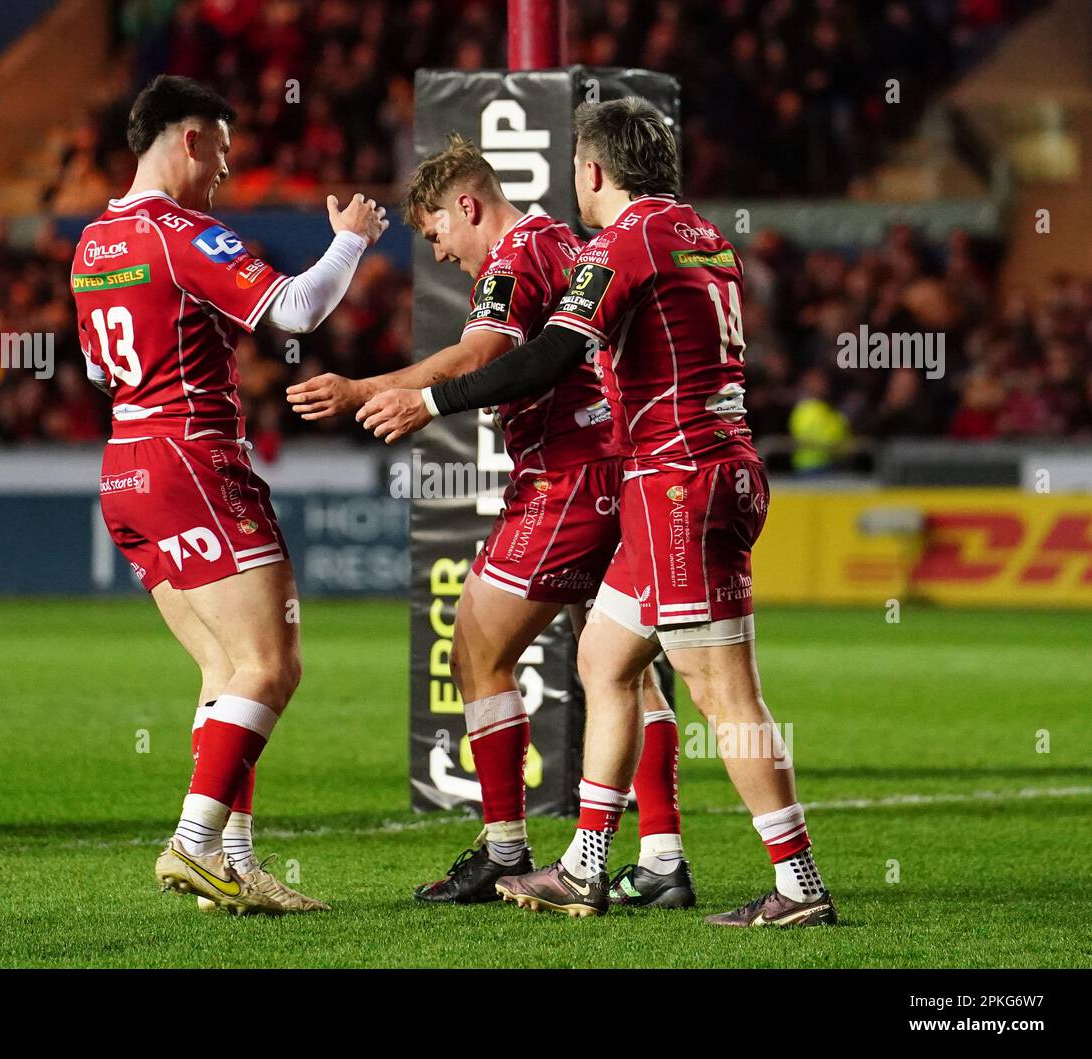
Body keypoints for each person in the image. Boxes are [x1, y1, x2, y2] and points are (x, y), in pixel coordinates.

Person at [358, 98, 837, 926]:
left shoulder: (626, 240)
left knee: (725, 691)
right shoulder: (702, 232)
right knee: (606, 658)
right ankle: (593, 865)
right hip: (696, 467)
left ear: (591, 171)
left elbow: (548, 354)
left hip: (679, 479)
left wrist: (429, 397)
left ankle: (798, 883)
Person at [287, 134, 693, 909]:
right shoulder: (566, 241)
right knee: (622, 667)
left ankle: (505, 846)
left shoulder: (512, 260)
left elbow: (478, 355)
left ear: (468, 205)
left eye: (437, 232)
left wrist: (360, 389)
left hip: (567, 478)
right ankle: (664, 855)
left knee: (476, 647)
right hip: (619, 464)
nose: (441, 253)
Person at [70, 74, 387, 914]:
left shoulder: (93, 241)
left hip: (127, 464)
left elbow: (104, 370)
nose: (225, 165)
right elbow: (291, 311)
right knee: (273, 664)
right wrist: (350, 239)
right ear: (187, 139)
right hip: (193, 460)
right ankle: (193, 840)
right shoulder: (179, 233)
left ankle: (233, 865)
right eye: (221, 145)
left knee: (225, 669)